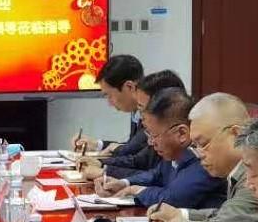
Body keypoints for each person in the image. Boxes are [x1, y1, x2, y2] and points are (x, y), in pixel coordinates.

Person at [146, 92, 258, 222]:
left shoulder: (256, 176)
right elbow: (224, 215)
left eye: (203, 144)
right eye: (195, 146)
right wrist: (180, 214)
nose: (200, 154)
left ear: (236, 135)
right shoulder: (240, 170)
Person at [93, 89, 223, 210]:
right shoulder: (173, 154)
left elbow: (172, 199)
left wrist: (136, 190)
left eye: (154, 135)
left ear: (182, 133)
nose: (150, 142)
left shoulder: (204, 158)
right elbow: (155, 175)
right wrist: (123, 183)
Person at [78, 68, 184, 181]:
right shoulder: (157, 132)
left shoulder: (187, 151)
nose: (142, 117)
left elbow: (160, 180)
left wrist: (105, 171)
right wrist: (102, 165)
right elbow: (142, 162)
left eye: (143, 109)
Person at [70, 55, 144, 162]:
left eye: (109, 95)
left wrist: (100, 165)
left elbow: (137, 159)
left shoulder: (153, 113)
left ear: (129, 87)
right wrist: (96, 144)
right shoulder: (136, 112)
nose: (109, 103)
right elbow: (131, 148)